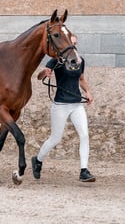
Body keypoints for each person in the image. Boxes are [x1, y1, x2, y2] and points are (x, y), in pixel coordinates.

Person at [32, 35, 96, 182]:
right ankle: (38, 160)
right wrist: (45, 73)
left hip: (77, 104)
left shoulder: (80, 61)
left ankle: (84, 171)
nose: (72, 46)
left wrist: (88, 92)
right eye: (70, 43)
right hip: (61, 105)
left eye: (74, 44)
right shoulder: (56, 60)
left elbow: (81, 79)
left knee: (84, 135)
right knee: (55, 138)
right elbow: (40, 76)